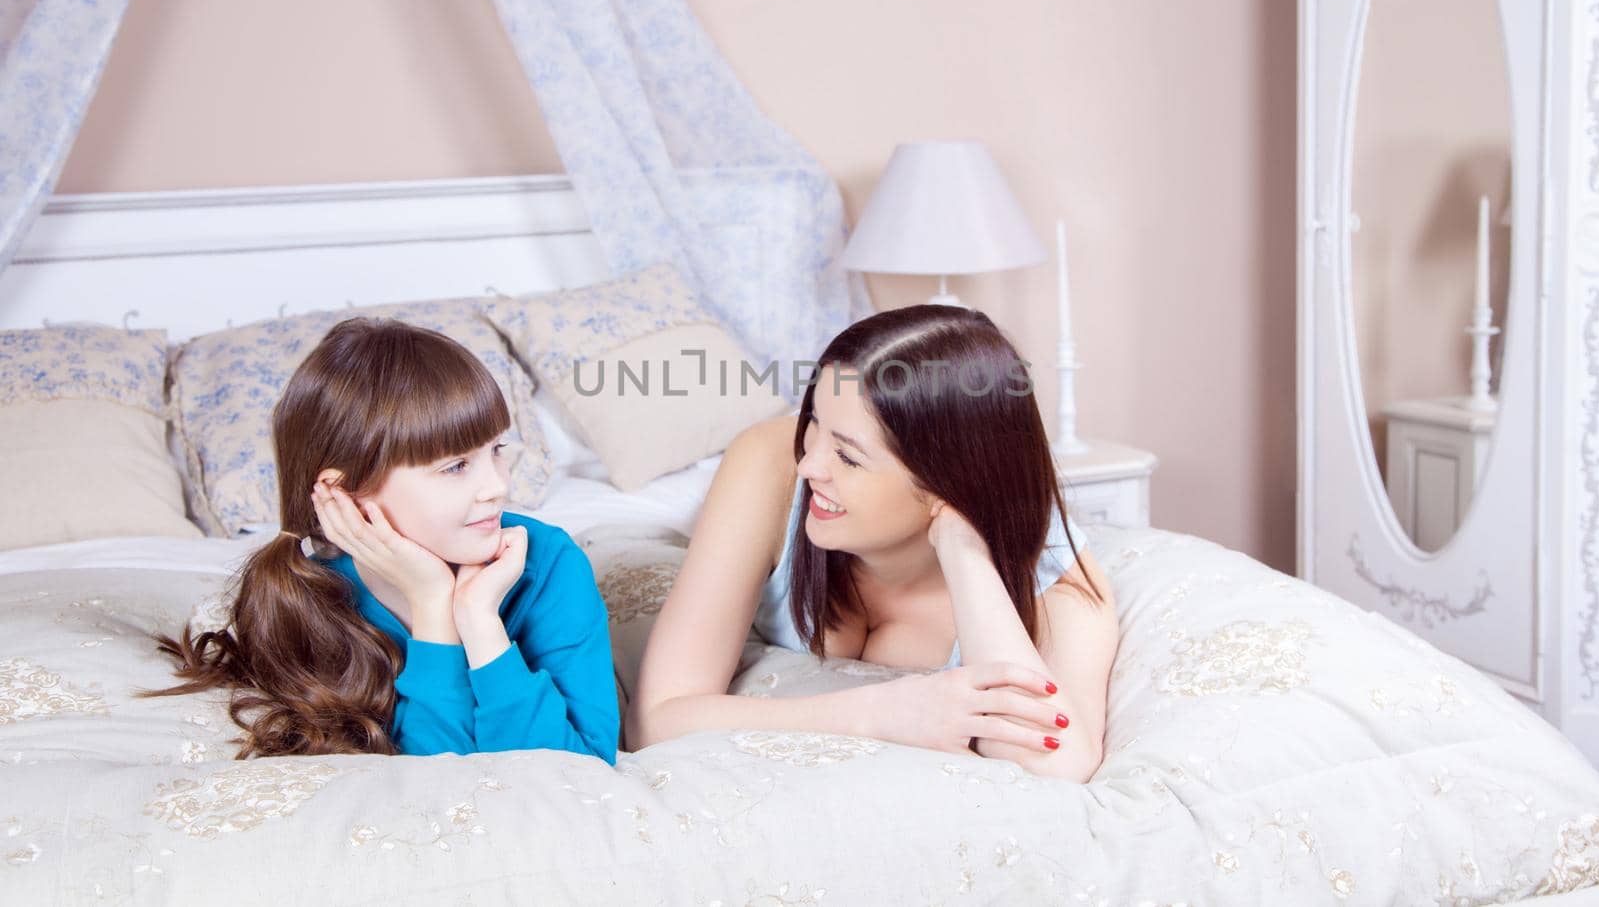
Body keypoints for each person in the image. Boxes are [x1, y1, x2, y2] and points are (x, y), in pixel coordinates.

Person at [627, 305, 1118, 781]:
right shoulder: (768, 464)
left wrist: (963, 549)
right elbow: (657, 719)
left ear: (945, 484)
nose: (809, 466)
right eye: (813, 421)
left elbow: (1055, 764)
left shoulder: (1055, 573)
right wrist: (879, 712)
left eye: (849, 456)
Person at [142, 317, 619, 762]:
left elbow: (577, 773)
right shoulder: (302, 593)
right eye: (455, 467)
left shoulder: (550, 565)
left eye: (496, 450)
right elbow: (438, 784)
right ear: (347, 492)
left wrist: (481, 623)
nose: (498, 486)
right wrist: (434, 608)